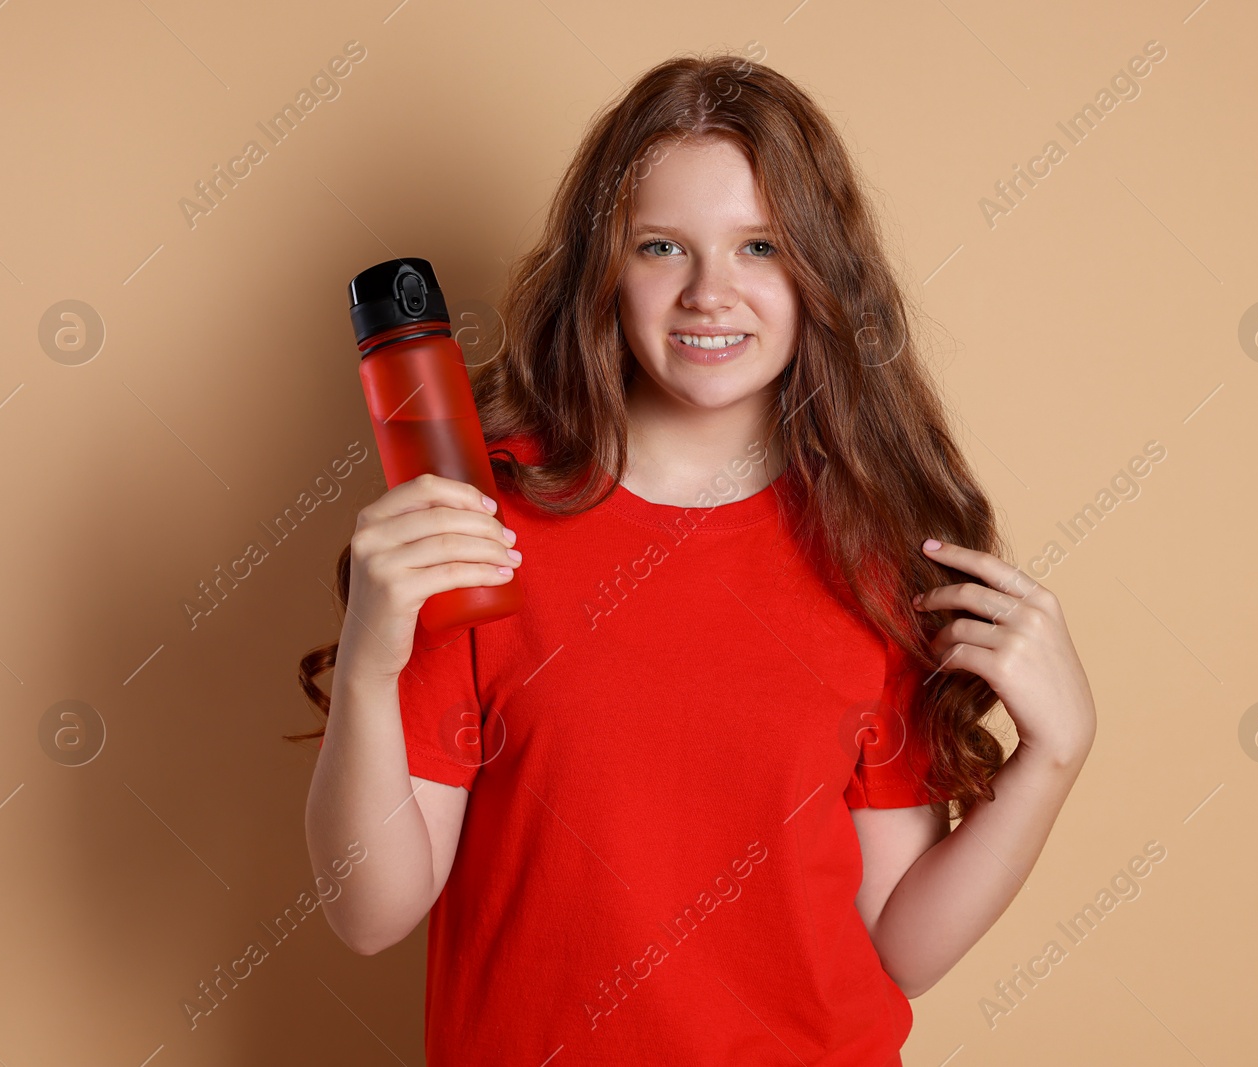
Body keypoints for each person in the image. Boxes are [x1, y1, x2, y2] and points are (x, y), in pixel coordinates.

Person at [296, 50, 1096, 1065]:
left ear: (818, 273)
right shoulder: (485, 522)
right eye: (663, 247)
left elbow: (900, 942)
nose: (709, 292)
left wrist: (1051, 758)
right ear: (606, 270)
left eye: (759, 246)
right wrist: (369, 658)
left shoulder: (874, 550)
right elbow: (370, 911)